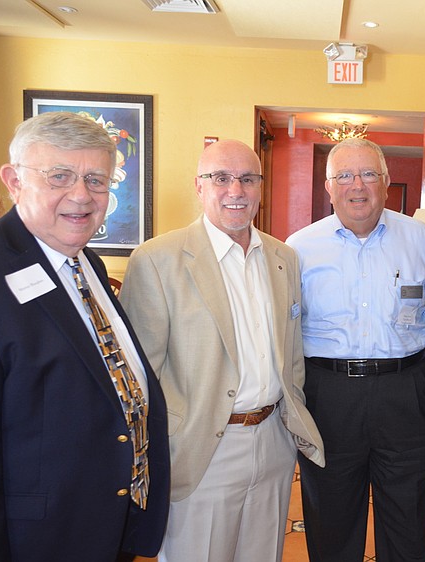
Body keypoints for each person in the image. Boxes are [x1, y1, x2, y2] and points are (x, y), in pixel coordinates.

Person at [0, 111, 170, 561]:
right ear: (14, 181)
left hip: (103, 521)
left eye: (97, 179)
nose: (81, 195)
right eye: (59, 176)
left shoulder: (86, 264)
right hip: (33, 540)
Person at [119, 138, 324, 562]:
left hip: (272, 441)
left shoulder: (283, 256)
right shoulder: (157, 260)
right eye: (222, 178)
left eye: (248, 179)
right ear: (199, 185)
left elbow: (293, 352)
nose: (236, 191)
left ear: (260, 187)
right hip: (201, 448)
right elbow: (140, 377)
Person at [286, 137, 425, 562]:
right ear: (328, 186)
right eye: (344, 175)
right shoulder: (299, 248)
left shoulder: (422, 240)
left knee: (409, 518)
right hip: (328, 395)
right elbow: (283, 329)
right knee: (331, 517)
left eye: (368, 174)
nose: (356, 185)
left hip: (407, 392)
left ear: (386, 180)